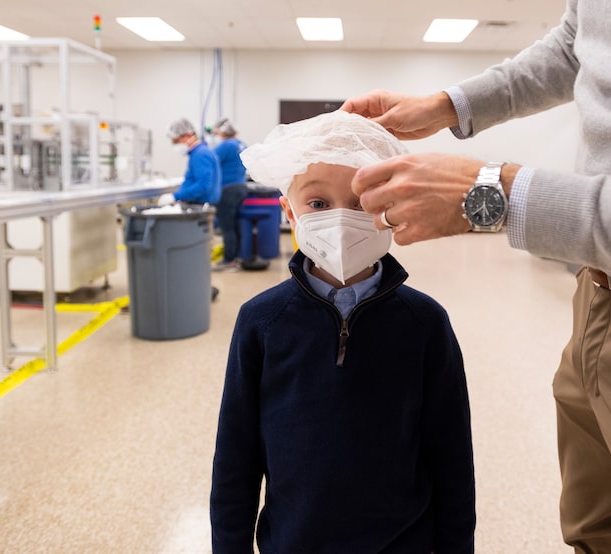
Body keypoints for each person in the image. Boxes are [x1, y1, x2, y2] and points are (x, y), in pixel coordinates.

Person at [341, 2, 611, 553]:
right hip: (602, 300)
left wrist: (494, 196)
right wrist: (451, 105)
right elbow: (578, 40)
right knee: (596, 533)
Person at [210, 110, 476, 553]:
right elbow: (236, 455)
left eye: (360, 203)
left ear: (392, 209)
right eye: (317, 203)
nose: (339, 220)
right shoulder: (261, 321)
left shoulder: (425, 323)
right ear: (289, 212)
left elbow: (451, 453)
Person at [211, 118, 248, 271]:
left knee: (227, 227)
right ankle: (237, 256)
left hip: (227, 189)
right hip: (241, 187)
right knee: (235, 225)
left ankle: (229, 260)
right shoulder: (241, 144)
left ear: (223, 132)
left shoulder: (225, 146)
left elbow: (210, 161)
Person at [158, 118, 221, 207]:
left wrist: (175, 196)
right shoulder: (198, 153)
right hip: (200, 205)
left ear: (188, 135)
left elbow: (203, 186)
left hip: (201, 206)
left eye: (176, 141)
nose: (175, 145)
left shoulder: (201, 154)